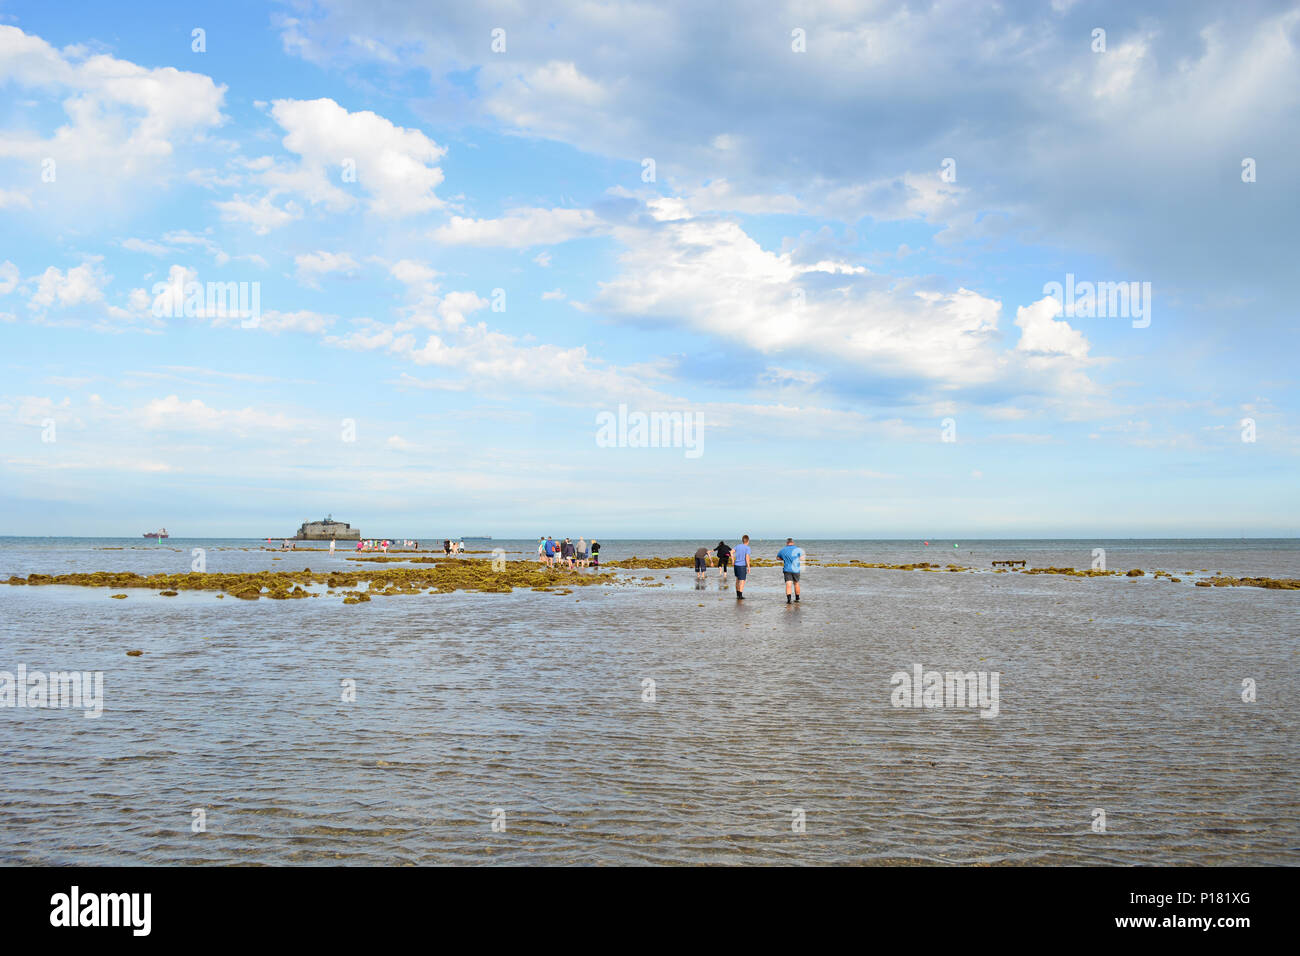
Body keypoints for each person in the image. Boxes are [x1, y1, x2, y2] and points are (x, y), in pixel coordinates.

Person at [777, 537, 804, 604]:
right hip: (796, 569)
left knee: (788, 584)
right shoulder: (797, 549)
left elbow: (777, 558)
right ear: (793, 542)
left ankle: (789, 600)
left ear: (787, 543)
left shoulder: (783, 550)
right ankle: (797, 599)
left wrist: (784, 559)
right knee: (796, 583)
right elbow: (802, 558)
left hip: (787, 569)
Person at [732, 534, 751, 600]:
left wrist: (732, 560)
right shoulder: (747, 548)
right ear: (748, 541)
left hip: (736, 565)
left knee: (737, 580)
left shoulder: (738, 546)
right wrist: (748, 567)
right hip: (742, 566)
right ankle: (740, 596)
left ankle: (738, 594)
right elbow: (747, 557)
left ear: (742, 540)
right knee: (742, 580)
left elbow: (731, 552)